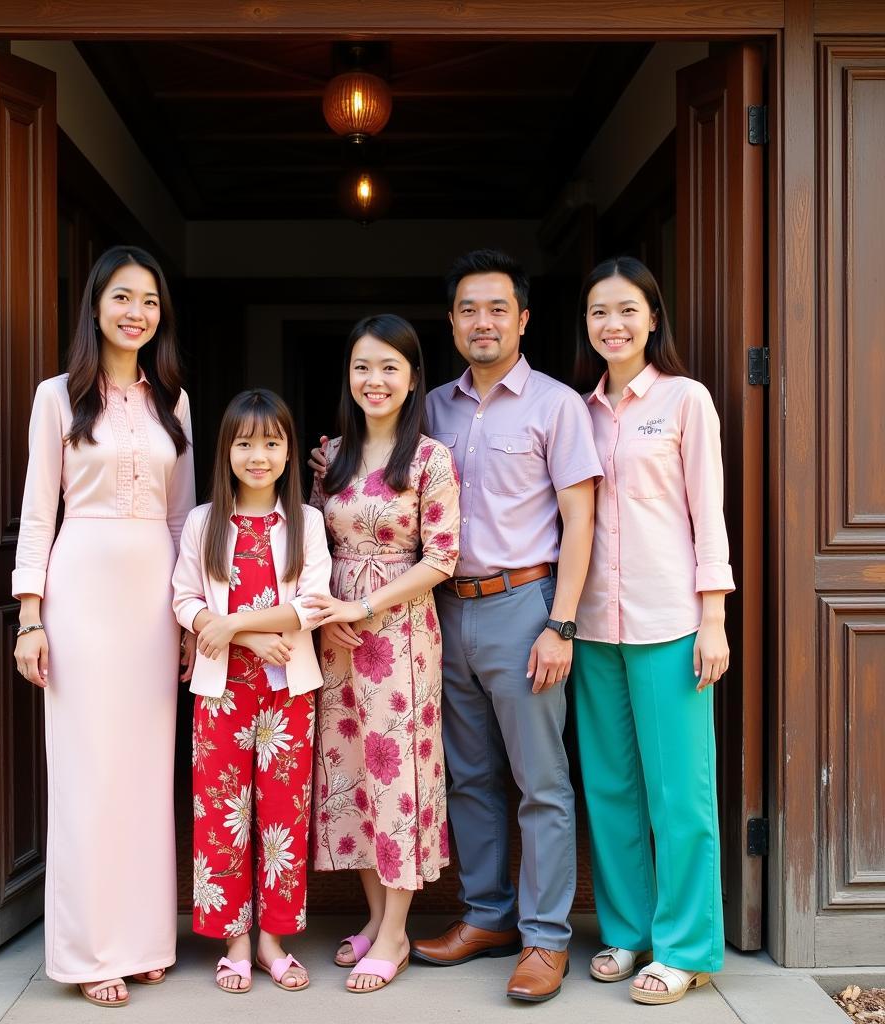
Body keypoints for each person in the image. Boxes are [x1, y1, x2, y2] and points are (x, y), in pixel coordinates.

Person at [312, 251, 601, 1003]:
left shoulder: (557, 406)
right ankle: (487, 917)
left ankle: (545, 938)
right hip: (440, 615)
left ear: (523, 318)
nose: (483, 322)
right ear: (452, 322)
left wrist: (560, 626)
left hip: (521, 605)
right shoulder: (429, 408)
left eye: (498, 308)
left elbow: (580, 522)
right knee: (469, 776)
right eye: (469, 309)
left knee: (539, 780)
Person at [12, 245, 195, 1008]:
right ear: (95, 306)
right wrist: (30, 615)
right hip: (79, 589)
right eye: (123, 298)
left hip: (155, 594)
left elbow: (187, 518)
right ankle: (88, 949)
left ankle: (147, 938)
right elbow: (36, 508)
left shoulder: (174, 402)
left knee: (148, 771)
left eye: (149, 301)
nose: (136, 313)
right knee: (87, 772)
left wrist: (192, 617)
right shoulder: (57, 396)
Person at [570, 256, 733, 1005]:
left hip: (672, 621)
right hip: (596, 624)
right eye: (600, 311)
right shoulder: (578, 409)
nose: (614, 324)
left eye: (628, 310)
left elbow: (709, 514)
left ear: (653, 317)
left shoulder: (684, 401)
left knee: (682, 795)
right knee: (610, 787)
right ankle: (629, 931)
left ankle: (688, 947)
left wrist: (714, 619)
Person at [304, 314, 460, 994]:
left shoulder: (431, 458)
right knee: (351, 775)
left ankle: (397, 930)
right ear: (350, 375)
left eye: (390, 367)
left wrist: (363, 608)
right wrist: (321, 616)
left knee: (398, 777)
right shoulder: (329, 456)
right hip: (335, 637)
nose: (375, 380)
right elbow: (310, 543)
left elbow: (444, 558)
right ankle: (374, 917)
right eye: (363, 366)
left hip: (399, 637)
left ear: (412, 378)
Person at [172, 388, 332, 995]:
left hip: (289, 689)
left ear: (289, 451)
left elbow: (312, 605)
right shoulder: (202, 521)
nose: (258, 455)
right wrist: (242, 643)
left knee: (283, 814)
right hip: (220, 693)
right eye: (245, 443)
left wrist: (238, 627)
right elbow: (184, 598)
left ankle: (274, 940)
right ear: (227, 451)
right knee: (222, 813)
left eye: (271, 442)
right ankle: (235, 938)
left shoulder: (307, 523)